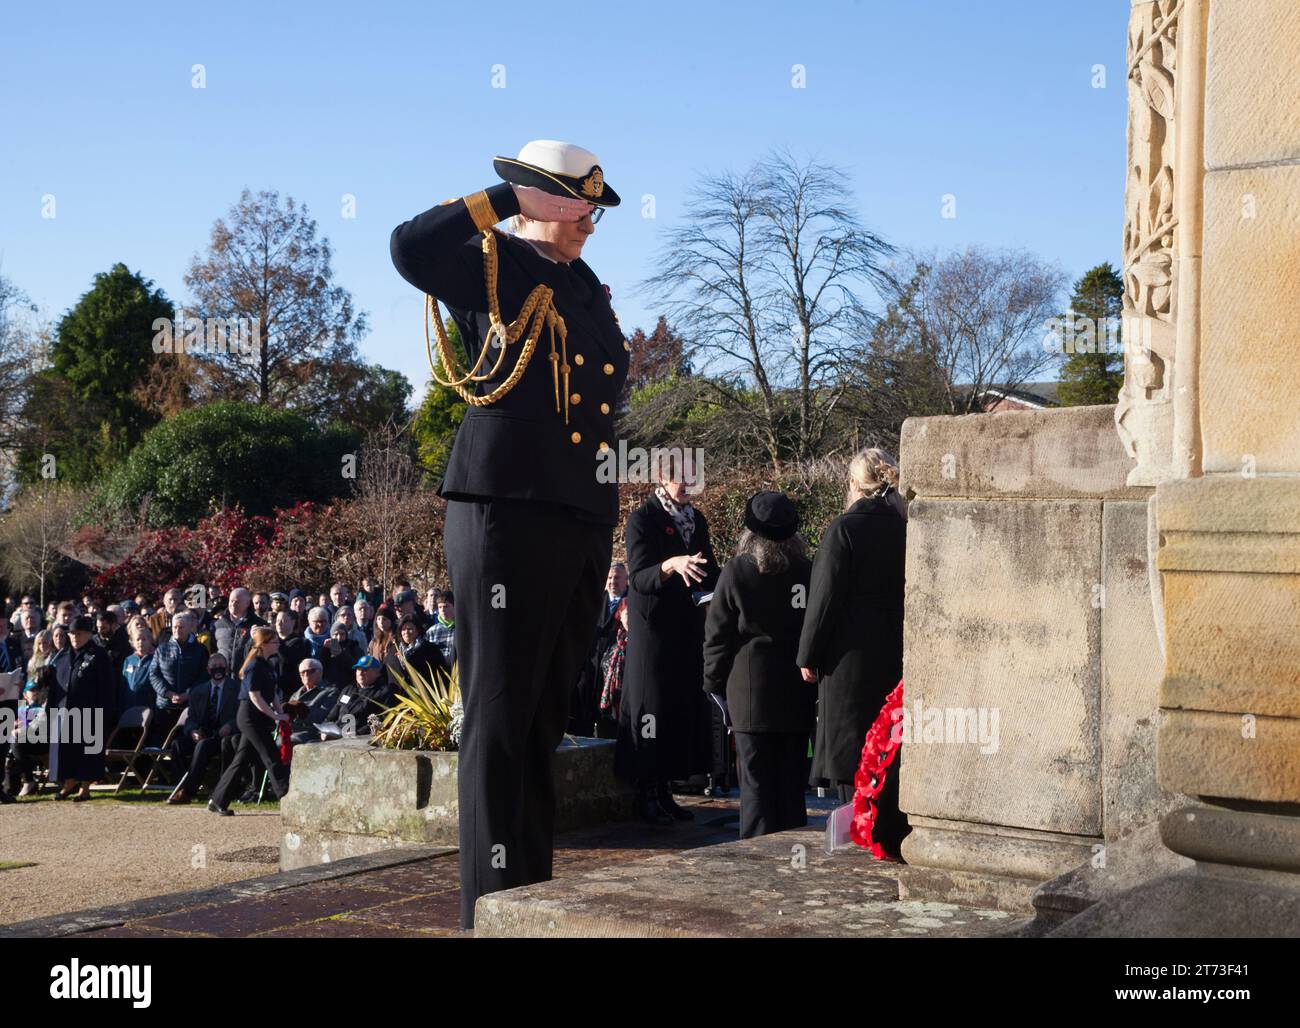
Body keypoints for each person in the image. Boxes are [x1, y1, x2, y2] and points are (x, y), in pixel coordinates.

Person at [390, 138, 626, 929]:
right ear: (537, 196)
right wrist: (506, 203)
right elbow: (408, 248)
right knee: (497, 711)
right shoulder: (490, 262)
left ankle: (528, 901)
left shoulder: (589, 289)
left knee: (542, 717)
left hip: (581, 515)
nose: (591, 219)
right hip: (505, 508)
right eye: (577, 203)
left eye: (594, 206)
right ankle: (488, 911)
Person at [796, 447, 909, 855]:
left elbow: (823, 599)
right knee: (886, 743)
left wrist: (807, 655)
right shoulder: (904, 526)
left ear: (854, 484)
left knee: (852, 747)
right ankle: (885, 828)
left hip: (848, 657)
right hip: (894, 651)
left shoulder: (844, 528)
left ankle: (859, 829)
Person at [616, 451, 720, 824]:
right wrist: (671, 564)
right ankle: (645, 792)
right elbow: (639, 576)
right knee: (653, 708)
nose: (689, 486)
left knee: (679, 708)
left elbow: (709, 571)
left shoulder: (697, 520)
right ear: (662, 478)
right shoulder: (642, 519)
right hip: (653, 631)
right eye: (682, 479)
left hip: (686, 628)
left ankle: (666, 791)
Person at [703, 491, 814, 839]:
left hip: (749, 693)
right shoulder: (807, 571)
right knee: (791, 786)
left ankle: (757, 858)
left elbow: (718, 636)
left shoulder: (738, 571)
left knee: (755, 788)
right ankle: (794, 855)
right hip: (797, 690)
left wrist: (712, 683)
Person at [208, 627, 292, 814]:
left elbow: (273, 694)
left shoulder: (268, 665)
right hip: (250, 717)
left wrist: (280, 713)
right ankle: (287, 799)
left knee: (241, 759)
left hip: (259, 716)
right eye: (274, 641)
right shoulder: (254, 665)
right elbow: (255, 696)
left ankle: (217, 800)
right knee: (271, 756)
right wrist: (275, 716)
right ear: (263, 645)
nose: (278, 644)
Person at [48, 615, 113, 802]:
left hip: (90, 712)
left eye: (79, 633)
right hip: (64, 711)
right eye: (72, 633)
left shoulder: (98, 655)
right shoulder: (62, 656)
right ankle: (68, 783)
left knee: (88, 752)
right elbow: (55, 686)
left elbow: (107, 687)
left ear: (88, 634)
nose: (75, 637)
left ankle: (85, 787)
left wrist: (105, 713)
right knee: (66, 751)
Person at [169, 653, 239, 804]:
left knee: (203, 746)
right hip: (202, 733)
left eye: (221, 666)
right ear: (208, 670)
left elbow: (242, 715)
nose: (217, 669)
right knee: (177, 744)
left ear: (226, 668)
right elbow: (190, 719)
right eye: (213, 667)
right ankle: (179, 786)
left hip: (223, 736)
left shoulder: (236, 688)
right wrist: (192, 730)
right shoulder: (197, 691)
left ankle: (188, 792)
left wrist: (230, 725)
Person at [5, 629, 57, 798]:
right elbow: (26, 693)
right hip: (31, 716)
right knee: (11, 738)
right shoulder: (32, 663)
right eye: (40, 643)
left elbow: (47, 704)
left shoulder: (56, 662)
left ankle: (28, 781)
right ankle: (13, 784)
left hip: (49, 719)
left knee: (17, 739)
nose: (43, 645)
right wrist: (19, 720)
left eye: (47, 642)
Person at [148, 611, 206, 741]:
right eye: (175, 627)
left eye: (181, 627)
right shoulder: (162, 649)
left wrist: (188, 694)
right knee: (163, 742)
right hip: (165, 705)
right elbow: (154, 674)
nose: (177, 630)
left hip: (190, 705)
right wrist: (167, 693)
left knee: (185, 743)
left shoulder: (200, 650)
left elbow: (203, 676)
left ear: (189, 628)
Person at [318, 654, 395, 738]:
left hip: (361, 739)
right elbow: (334, 712)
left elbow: (382, 719)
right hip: (338, 734)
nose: (360, 673)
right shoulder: (348, 689)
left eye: (365, 670)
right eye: (358, 669)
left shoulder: (384, 692)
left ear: (377, 673)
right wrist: (324, 729)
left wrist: (357, 734)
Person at [286, 659, 339, 745]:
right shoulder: (296, 694)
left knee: (287, 741)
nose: (306, 675)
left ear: (320, 672)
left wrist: (301, 710)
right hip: (290, 730)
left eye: (311, 671)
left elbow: (323, 717)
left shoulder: (330, 692)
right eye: (302, 672)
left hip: (311, 732)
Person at [212, 587, 264, 670]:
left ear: (247, 603)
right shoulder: (218, 624)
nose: (233, 604)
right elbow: (213, 649)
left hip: (247, 675)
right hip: (223, 675)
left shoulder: (259, 624)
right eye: (231, 601)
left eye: (237, 602)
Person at [598, 598, 628, 725]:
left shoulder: (640, 644)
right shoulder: (613, 640)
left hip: (628, 707)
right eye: (627, 614)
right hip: (609, 710)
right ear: (620, 616)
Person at [118, 624, 156, 718]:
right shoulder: (129, 660)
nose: (140, 642)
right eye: (138, 639)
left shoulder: (155, 659)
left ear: (150, 641)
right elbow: (124, 683)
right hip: (129, 704)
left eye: (144, 639)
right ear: (132, 643)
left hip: (148, 705)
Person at [398, 615, 447, 682]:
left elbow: (441, 671)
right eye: (403, 629)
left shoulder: (430, 648)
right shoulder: (398, 650)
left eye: (410, 629)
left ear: (418, 630)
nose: (406, 632)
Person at [425, 591, 456, 667]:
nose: (442, 610)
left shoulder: (462, 628)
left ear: (454, 607)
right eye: (440, 607)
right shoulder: (432, 631)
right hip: (439, 671)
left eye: (446, 606)